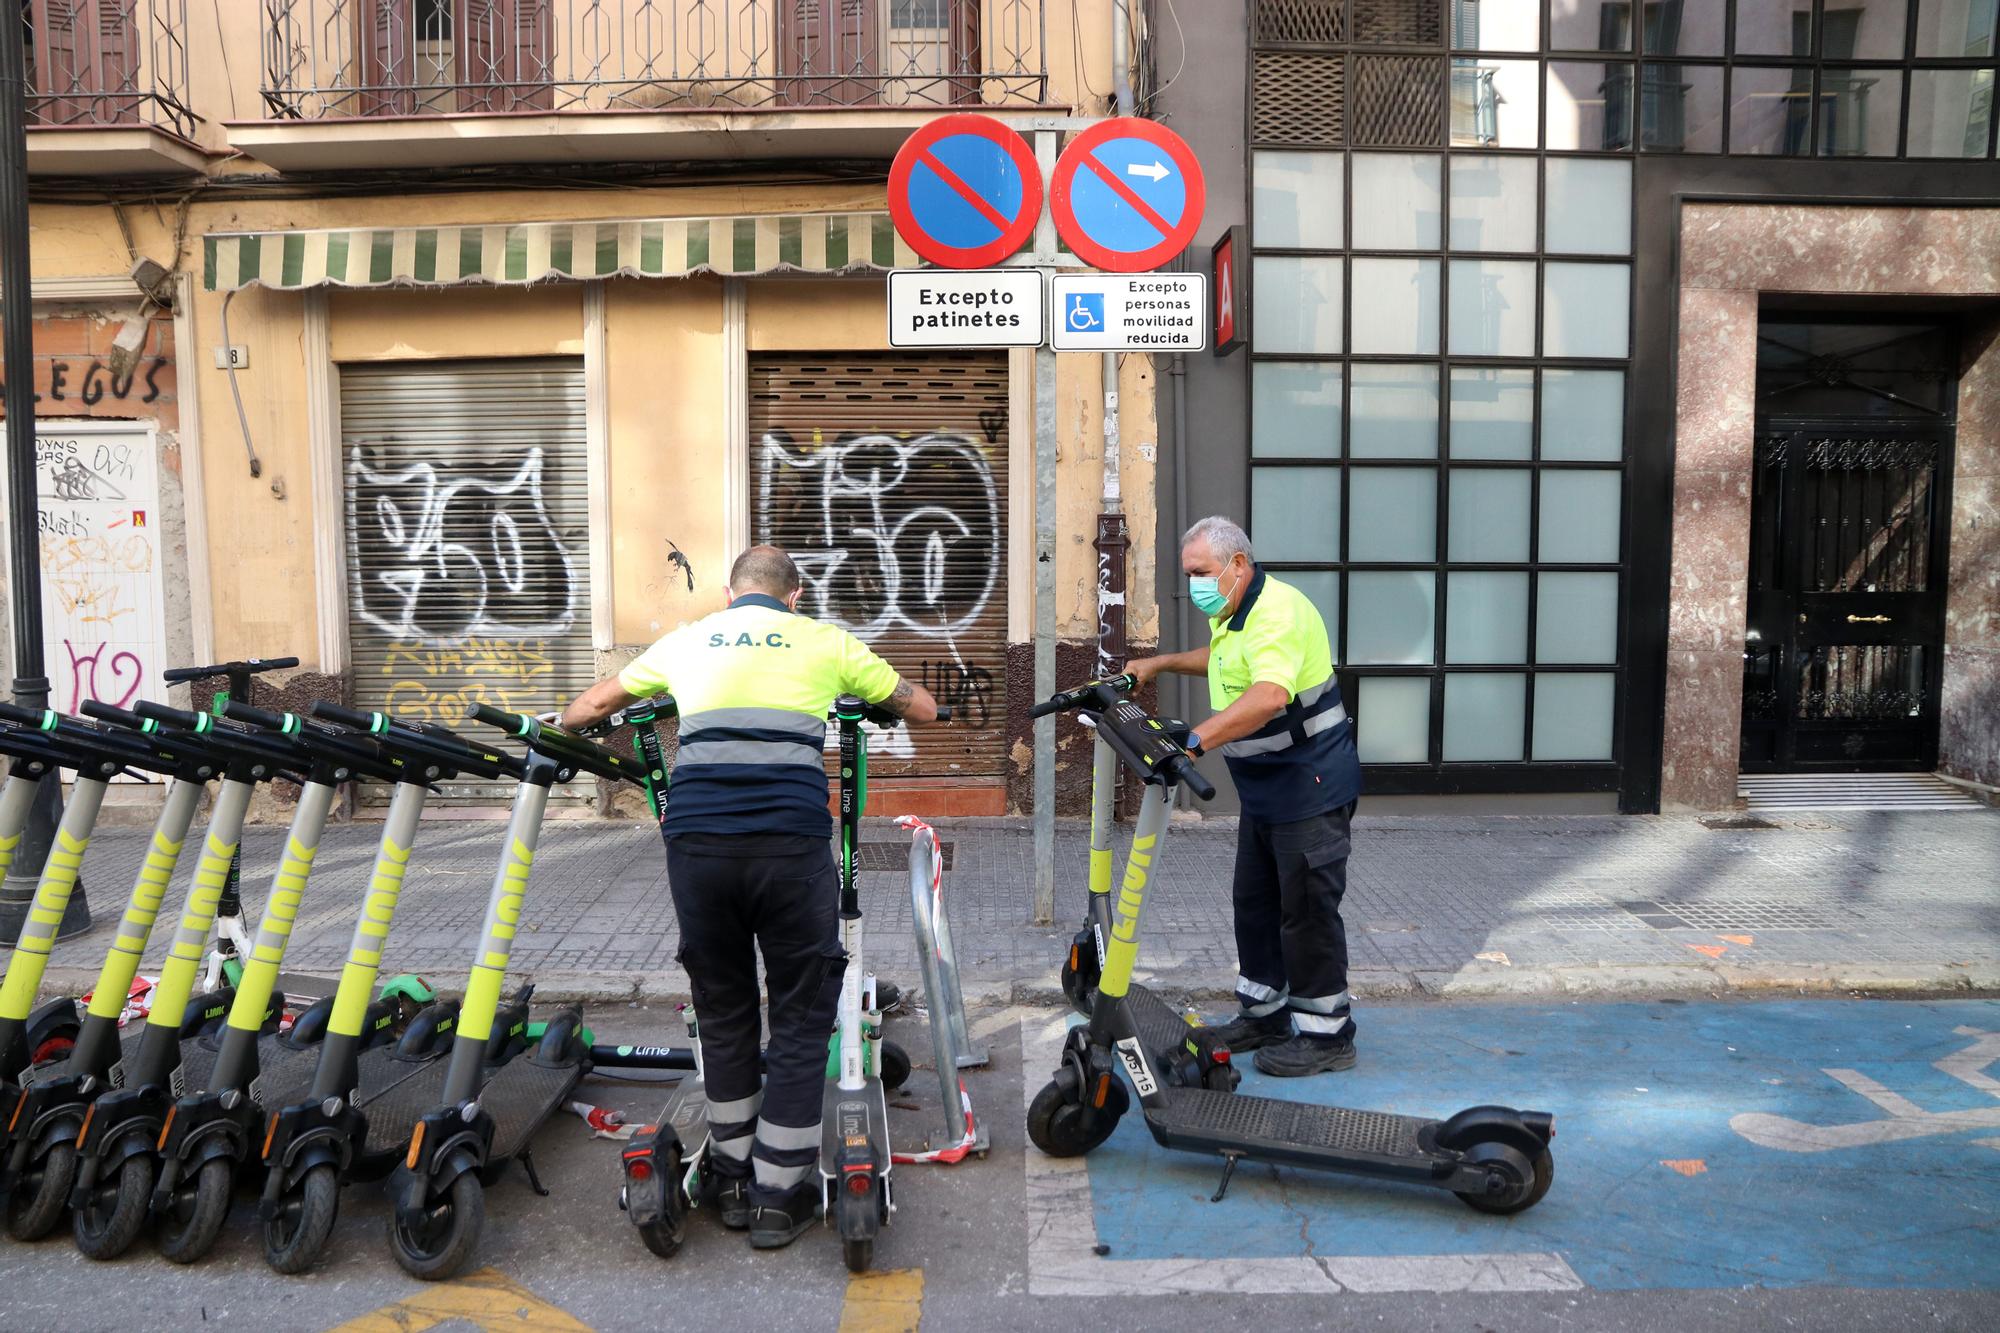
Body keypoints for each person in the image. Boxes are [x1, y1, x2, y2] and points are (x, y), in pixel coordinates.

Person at [560, 545, 938, 1247]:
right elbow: (924, 705)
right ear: (793, 596)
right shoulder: (825, 640)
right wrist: (887, 699)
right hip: (789, 848)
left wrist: (559, 729)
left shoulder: (688, 639)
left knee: (724, 1002)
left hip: (698, 847)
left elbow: (595, 703)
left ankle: (731, 1176)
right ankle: (776, 1193)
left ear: (733, 595)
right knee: (800, 1011)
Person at [1125, 516, 1363, 1077]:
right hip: (1265, 790)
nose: (1195, 587)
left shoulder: (1278, 611)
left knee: (1305, 912)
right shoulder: (1236, 613)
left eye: (1201, 573)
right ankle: (1266, 1013)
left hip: (1310, 783)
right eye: (1189, 576)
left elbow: (1268, 694)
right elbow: (1224, 661)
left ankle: (1328, 1035)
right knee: (1254, 904)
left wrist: (1194, 741)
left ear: (1237, 564)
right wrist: (1159, 663)